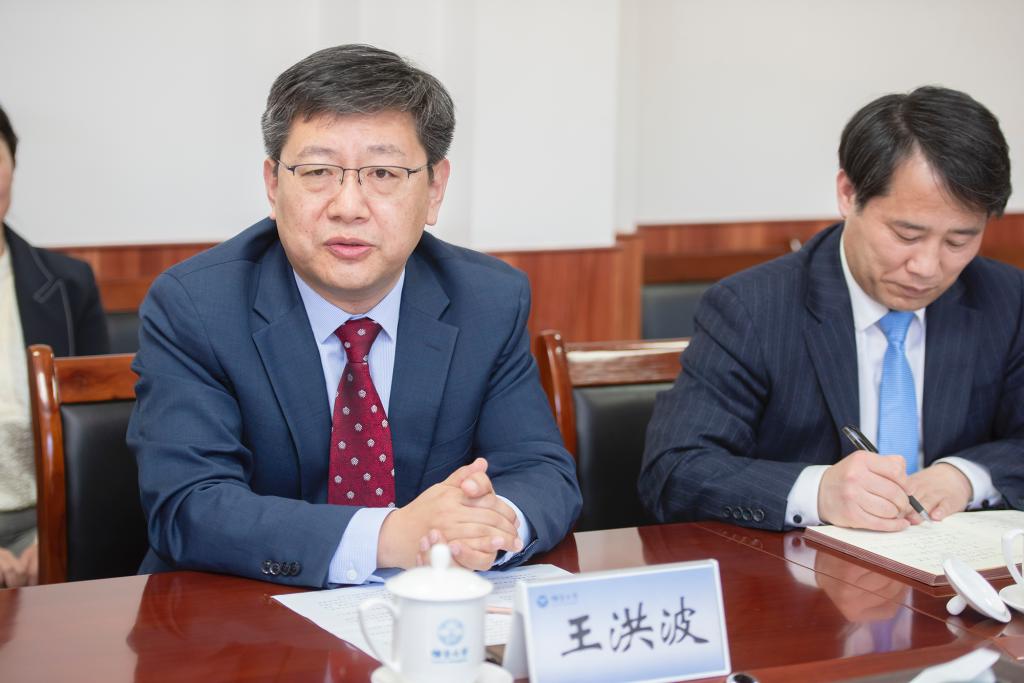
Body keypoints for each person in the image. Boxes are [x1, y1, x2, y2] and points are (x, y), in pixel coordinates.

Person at [127, 44, 581, 587]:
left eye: (383, 173)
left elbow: (538, 470)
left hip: (429, 613)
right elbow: (189, 506)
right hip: (241, 613)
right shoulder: (197, 306)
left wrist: (484, 526)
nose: (348, 206)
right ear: (273, 184)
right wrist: (390, 536)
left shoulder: (487, 299)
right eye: (318, 171)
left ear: (434, 189)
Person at [640, 86, 1019, 532]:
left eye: (958, 241)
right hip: (803, 568)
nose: (927, 267)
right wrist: (819, 492)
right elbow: (674, 471)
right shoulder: (752, 308)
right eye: (907, 235)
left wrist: (966, 476)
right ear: (848, 193)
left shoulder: (1006, 299)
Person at [0, 103, 109, 587]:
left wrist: (56, 538)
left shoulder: (68, 284)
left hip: (51, 518)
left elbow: (104, 434)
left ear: (13, 166)